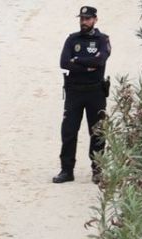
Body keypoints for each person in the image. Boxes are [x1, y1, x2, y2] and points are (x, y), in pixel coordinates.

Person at [53, 5, 111, 183]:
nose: (84, 22)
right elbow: (64, 62)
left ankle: (98, 170)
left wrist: (77, 60)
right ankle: (66, 170)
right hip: (74, 92)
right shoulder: (72, 40)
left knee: (97, 132)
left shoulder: (102, 39)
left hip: (95, 92)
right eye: (82, 19)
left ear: (95, 20)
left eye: (87, 19)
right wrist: (87, 65)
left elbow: (100, 60)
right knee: (69, 131)